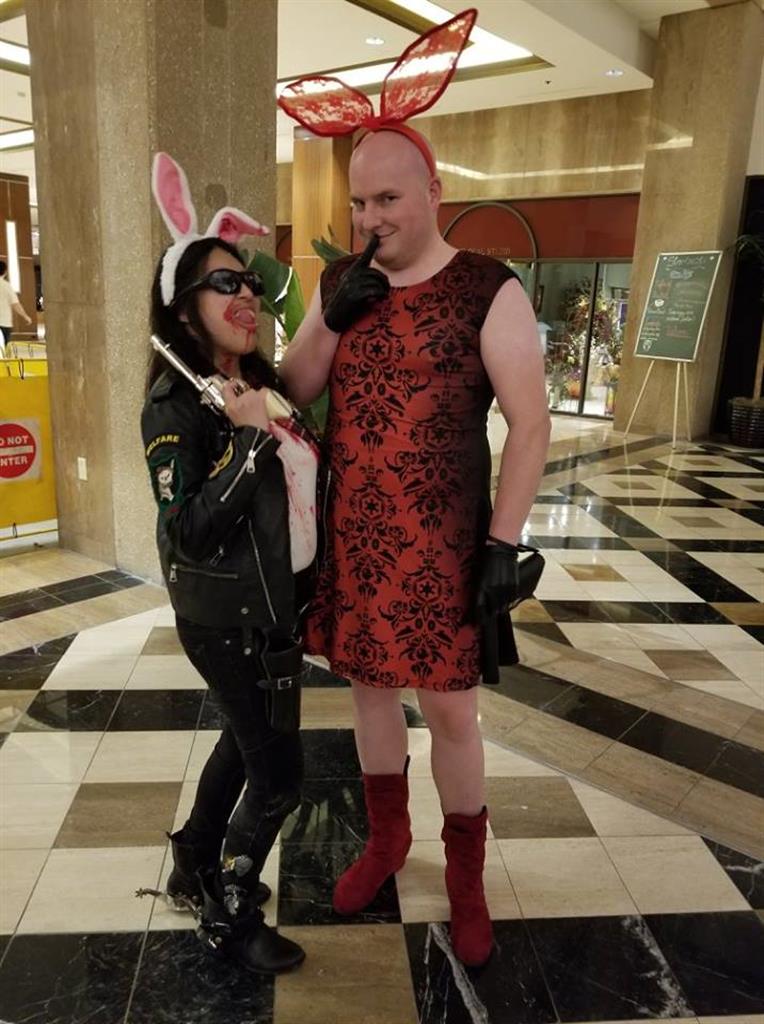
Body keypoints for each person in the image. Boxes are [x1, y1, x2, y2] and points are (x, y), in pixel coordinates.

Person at [279, 124, 551, 967]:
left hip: (445, 548)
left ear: (433, 192)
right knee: (369, 694)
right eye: (360, 202)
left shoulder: (487, 287)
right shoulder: (342, 282)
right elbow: (293, 387)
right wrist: (331, 318)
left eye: (388, 199)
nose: (371, 218)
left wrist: (504, 544)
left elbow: (532, 423)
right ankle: (388, 840)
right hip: (358, 539)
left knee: (449, 711)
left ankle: (466, 880)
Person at [140, 152, 306, 975]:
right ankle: (231, 912)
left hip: (276, 607)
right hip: (229, 619)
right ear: (183, 306)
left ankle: (193, 858)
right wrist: (245, 443)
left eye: (248, 282)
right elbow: (189, 534)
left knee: (242, 746)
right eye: (222, 283)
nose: (245, 295)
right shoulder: (177, 406)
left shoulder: (258, 379)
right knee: (279, 777)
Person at [0, 259, 32, 355]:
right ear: (5, 272)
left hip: (4, 323)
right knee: (4, 350)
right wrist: (26, 316)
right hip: (4, 323)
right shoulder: (6, 286)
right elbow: (15, 304)